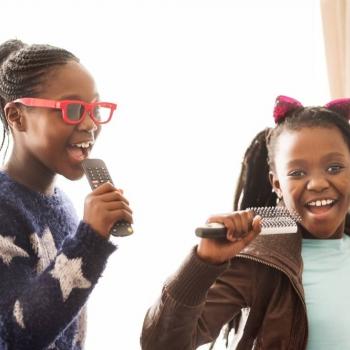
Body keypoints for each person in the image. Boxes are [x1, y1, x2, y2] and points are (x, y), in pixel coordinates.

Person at [141, 95, 350, 350]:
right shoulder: (260, 262)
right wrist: (203, 263)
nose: (317, 183)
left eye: (334, 167)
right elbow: (162, 346)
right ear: (277, 185)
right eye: (297, 172)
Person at [0, 39, 133, 350]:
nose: (90, 124)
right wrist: (90, 242)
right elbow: (13, 336)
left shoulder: (63, 206)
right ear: (17, 115)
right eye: (72, 109)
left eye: (95, 109)